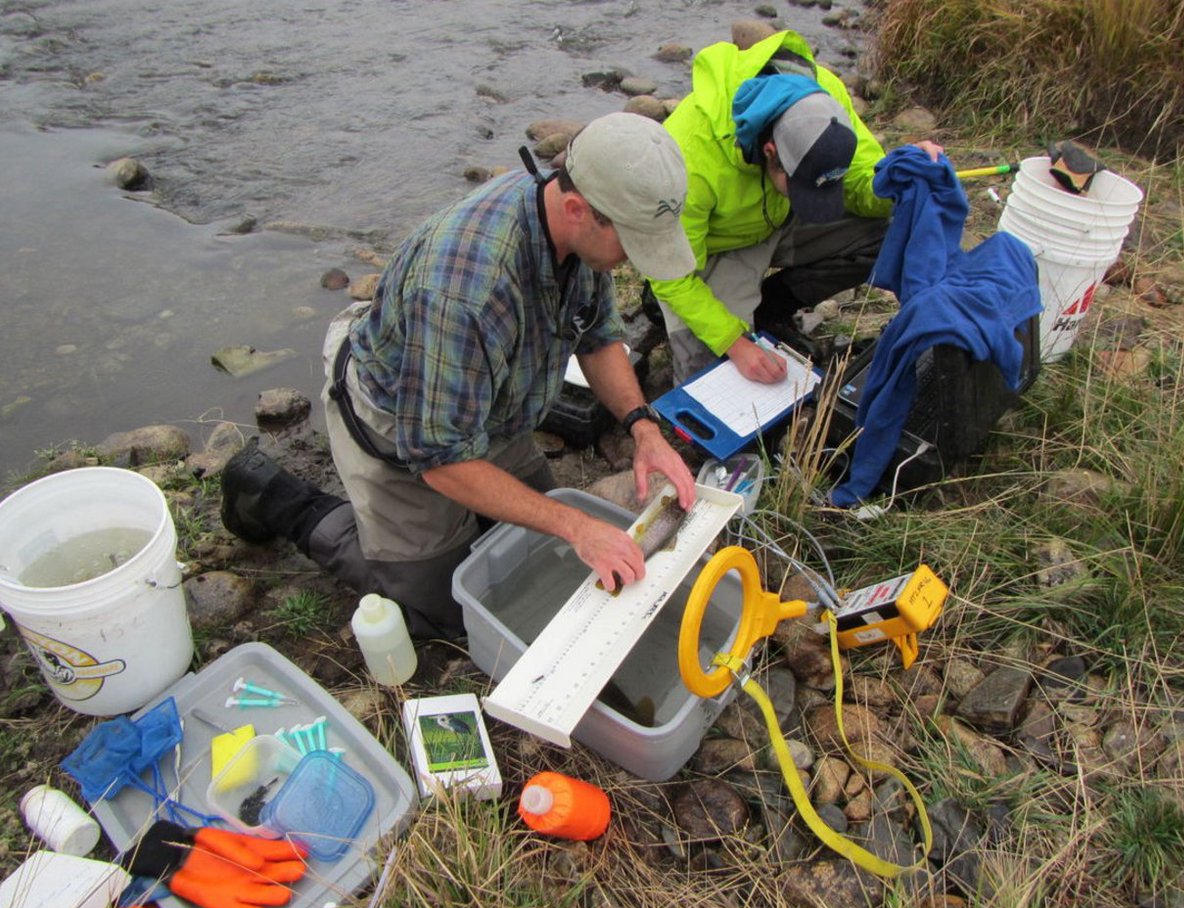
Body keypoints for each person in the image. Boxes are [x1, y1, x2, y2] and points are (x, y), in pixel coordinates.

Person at [220, 112, 698, 639]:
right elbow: (439, 459)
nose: (633, 261)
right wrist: (576, 526)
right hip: (402, 420)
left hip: (490, 407)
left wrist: (643, 428)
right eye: (631, 243)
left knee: (543, 556)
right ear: (577, 209)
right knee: (444, 611)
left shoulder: (578, 228)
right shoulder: (463, 290)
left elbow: (597, 334)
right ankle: (277, 497)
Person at [646, 29, 942, 385]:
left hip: (783, 218)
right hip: (716, 246)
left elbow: (864, 178)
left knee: (894, 229)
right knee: (710, 377)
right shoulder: (689, 155)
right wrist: (734, 342)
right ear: (770, 152)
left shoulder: (824, 99)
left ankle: (770, 307)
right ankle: (666, 310)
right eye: (803, 186)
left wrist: (897, 178)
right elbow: (672, 275)